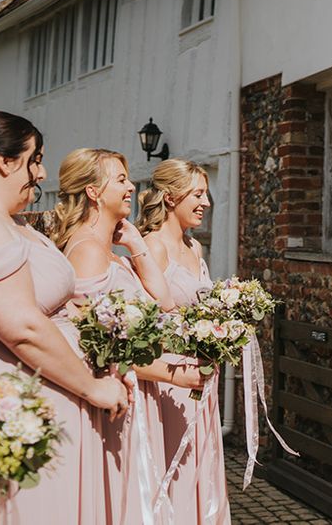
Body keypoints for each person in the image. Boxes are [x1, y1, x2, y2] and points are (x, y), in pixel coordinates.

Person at [0, 112, 127, 524]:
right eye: (35, 160)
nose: (42, 172)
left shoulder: (13, 224)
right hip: (14, 411)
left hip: (54, 398)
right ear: (5, 161)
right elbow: (24, 328)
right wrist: (91, 386)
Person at [54, 147, 204, 524]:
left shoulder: (114, 253)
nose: (131, 188)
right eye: (121, 180)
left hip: (139, 398)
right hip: (117, 401)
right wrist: (173, 374)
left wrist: (136, 244)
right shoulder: (87, 253)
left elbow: (166, 301)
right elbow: (95, 347)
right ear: (93, 191)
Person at [138, 159, 231, 525]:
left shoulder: (195, 249)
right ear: (170, 197)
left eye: (205, 193)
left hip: (200, 375)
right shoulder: (152, 247)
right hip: (170, 379)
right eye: (197, 193)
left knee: (199, 464)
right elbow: (143, 322)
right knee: (172, 467)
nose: (206, 201)